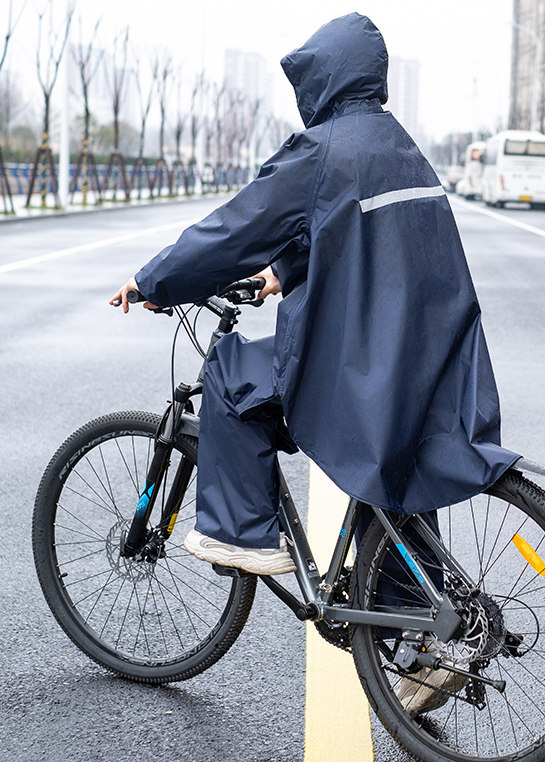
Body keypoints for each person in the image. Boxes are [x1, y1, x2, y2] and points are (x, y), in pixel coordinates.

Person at [110, 12, 518, 581]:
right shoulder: (400, 146)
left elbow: (234, 230)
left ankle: (242, 535)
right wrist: (286, 269)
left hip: (366, 360)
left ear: (323, 80)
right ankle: (415, 641)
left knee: (231, 376)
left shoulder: (321, 149)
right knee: (396, 470)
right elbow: (355, 227)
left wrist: (156, 281)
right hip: (436, 356)